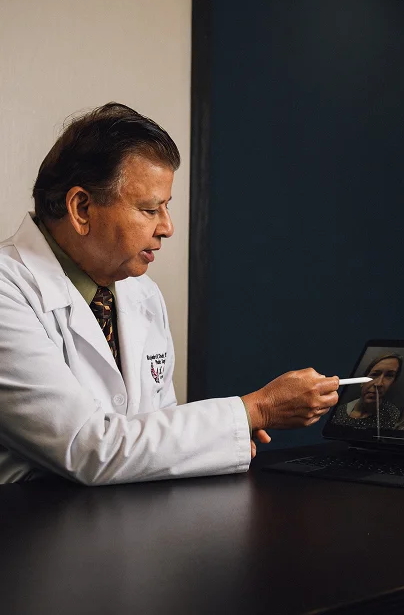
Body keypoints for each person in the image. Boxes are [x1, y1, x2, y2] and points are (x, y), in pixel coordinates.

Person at [0, 102, 339, 485]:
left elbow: (155, 434)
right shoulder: (8, 290)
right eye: (149, 209)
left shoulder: (140, 293)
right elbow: (87, 449)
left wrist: (212, 442)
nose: (168, 227)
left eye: (167, 207)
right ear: (81, 208)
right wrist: (253, 411)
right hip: (29, 534)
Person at [332, 353, 402, 429]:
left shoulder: (393, 416)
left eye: (389, 376)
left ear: (393, 383)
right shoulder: (339, 411)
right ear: (362, 381)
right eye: (375, 374)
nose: (378, 384)